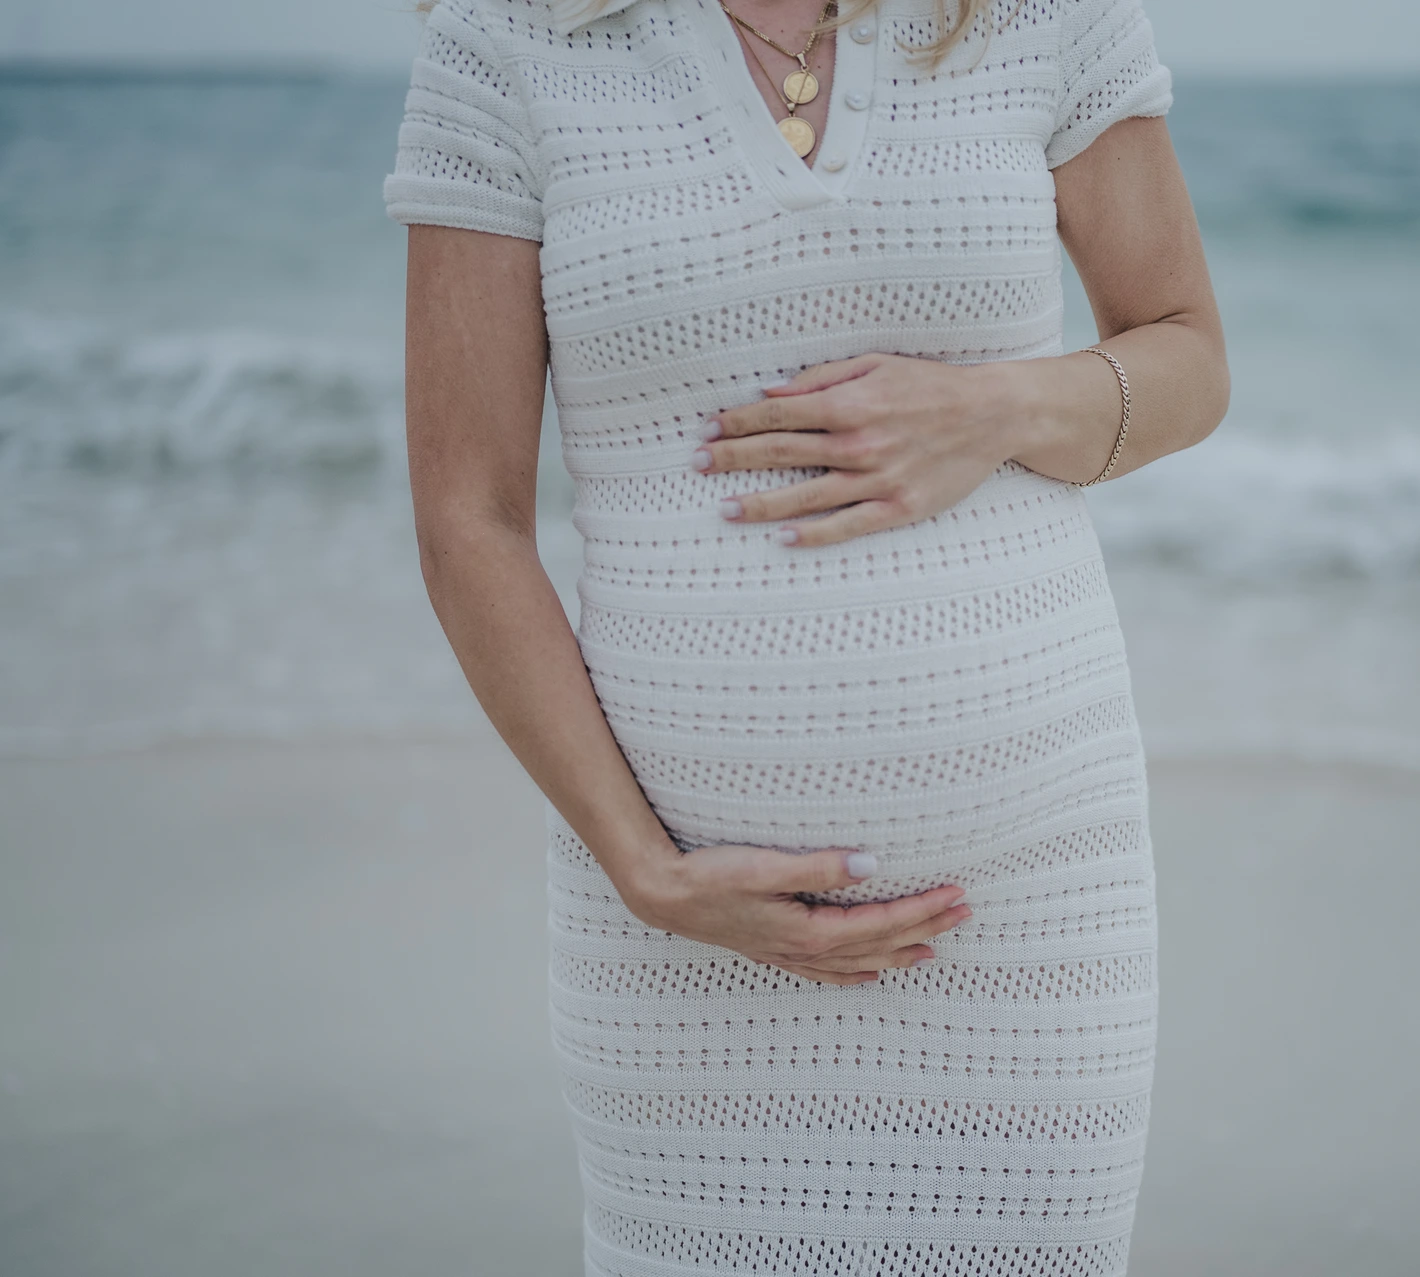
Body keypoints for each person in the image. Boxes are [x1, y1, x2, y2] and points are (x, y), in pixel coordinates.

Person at [385, 0, 1226, 1268]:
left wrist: (992, 409)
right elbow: (470, 517)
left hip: (1026, 915)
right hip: (675, 933)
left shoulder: (1042, 12)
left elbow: (1188, 357)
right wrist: (648, 872)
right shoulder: (505, 37)